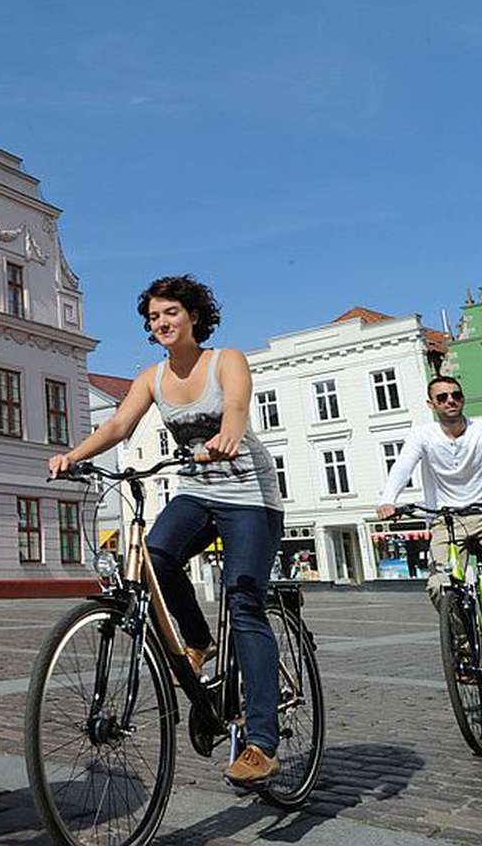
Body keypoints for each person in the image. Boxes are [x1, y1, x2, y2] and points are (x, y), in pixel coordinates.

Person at [48, 275, 285, 788]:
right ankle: (198, 639)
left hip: (250, 497)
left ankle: (261, 741)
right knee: (154, 554)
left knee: (245, 603)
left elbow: (238, 410)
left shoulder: (226, 361)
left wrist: (227, 436)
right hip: (198, 492)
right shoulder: (152, 378)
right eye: (154, 317)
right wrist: (73, 456)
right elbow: (116, 427)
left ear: (194, 316)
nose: (161, 323)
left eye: (171, 313)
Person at [376, 375, 482, 666]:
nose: (450, 400)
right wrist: (387, 499)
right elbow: (402, 465)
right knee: (439, 585)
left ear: (462, 399)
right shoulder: (422, 435)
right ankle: (466, 646)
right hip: (447, 519)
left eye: (455, 395)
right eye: (442, 397)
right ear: (432, 404)